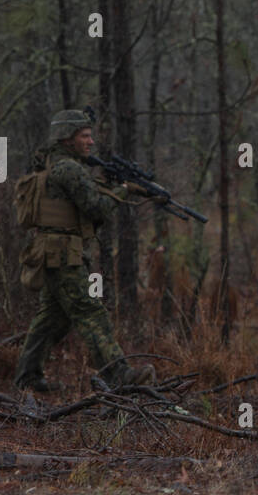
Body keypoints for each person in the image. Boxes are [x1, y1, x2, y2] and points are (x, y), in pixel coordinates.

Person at [13, 109, 157, 392]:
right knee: (90, 312)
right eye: (85, 136)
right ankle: (120, 375)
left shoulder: (55, 163)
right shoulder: (69, 168)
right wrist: (125, 190)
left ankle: (27, 378)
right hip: (62, 253)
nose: (91, 142)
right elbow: (96, 208)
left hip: (56, 252)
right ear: (68, 138)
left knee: (52, 319)